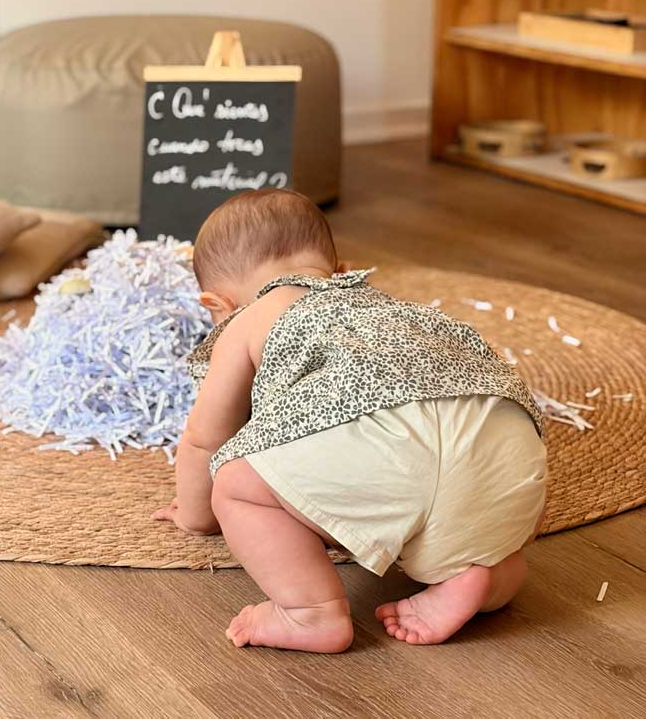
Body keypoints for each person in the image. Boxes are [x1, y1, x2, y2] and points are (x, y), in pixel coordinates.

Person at [152, 188, 546, 652]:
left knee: (237, 484)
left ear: (218, 305)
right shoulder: (382, 307)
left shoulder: (249, 317)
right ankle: (486, 575)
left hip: (385, 450)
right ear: (339, 272)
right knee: (494, 538)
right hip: (500, 440)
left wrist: (198, 514)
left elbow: (205, 439)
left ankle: (310, 613)